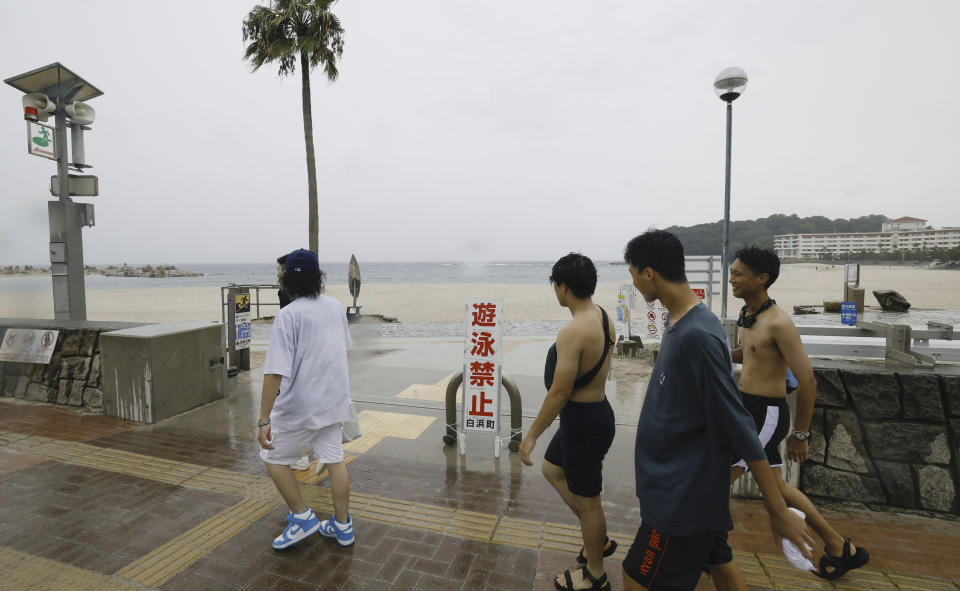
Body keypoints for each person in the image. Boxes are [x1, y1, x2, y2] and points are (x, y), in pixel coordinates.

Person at [621, 231, 813, 591]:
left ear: (648, 274)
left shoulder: (698, 335)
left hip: (682, 495)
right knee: (719, 563)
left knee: (637, 580)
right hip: (676, 485)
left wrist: (777, 509)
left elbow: (738, 424)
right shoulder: (677, 321)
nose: (633, 283)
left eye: (633, 274)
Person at [709, 246, 868, 583]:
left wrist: (800, 433)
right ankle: (840, 546)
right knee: (778, 488)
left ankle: (709, 550)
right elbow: (749, 356)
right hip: (746, 409)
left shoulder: (778, 322)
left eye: (738, 273)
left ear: (761, 278)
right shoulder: (748, 314)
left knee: (717, 480)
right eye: (732, 271)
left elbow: (807, 380)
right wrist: (714, 353)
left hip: (765, 416)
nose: (732, 278)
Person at [519, 253, 617, 591]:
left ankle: (595, 572)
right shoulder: (602, 316)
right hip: (596, 414)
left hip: (584, 424)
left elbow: (559, 392)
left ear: (563, 287)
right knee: (552, 469)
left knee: (589, 502)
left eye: (555, 286)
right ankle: (598, 538)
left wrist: (530, 436)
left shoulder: (573, 331)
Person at [257, 248, 355, 549]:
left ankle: (303, 517)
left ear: (287, 280)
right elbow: (343, 348)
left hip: (299, 406)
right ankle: (342, 526)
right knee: (335, 461)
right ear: (318, 277)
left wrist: (263, 419)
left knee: (273, 459)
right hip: (334, 402)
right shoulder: (336, 306)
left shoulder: (288, 315)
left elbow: (274, 372)